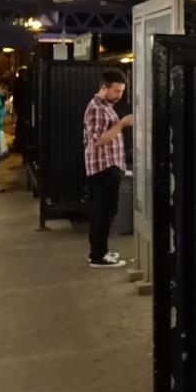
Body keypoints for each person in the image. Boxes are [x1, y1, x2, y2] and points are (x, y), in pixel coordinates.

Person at [83, 69, 134, 269]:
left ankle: (99, 251)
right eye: (116, 91)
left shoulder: (104, 106)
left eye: (122, 91)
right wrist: (121, 124)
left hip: (107, 165)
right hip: (103, 165)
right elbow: (98, 140)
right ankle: (98, 255)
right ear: (104, 88)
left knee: (102, 210)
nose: (119, 95)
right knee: (105, 211)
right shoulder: (97, 108)